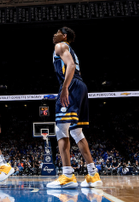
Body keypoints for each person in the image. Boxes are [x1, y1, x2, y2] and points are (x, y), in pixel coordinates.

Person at [47, 27, 102, 189]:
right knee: (76, 132)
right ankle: (93, 175)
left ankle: (68, 175)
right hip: (80, 85)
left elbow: (70, 66)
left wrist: (64, 88)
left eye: (56, 32)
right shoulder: (69, 48)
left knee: (61, 130)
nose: (53, 34)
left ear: (64, 36)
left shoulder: (60, 46)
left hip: (71, 85)